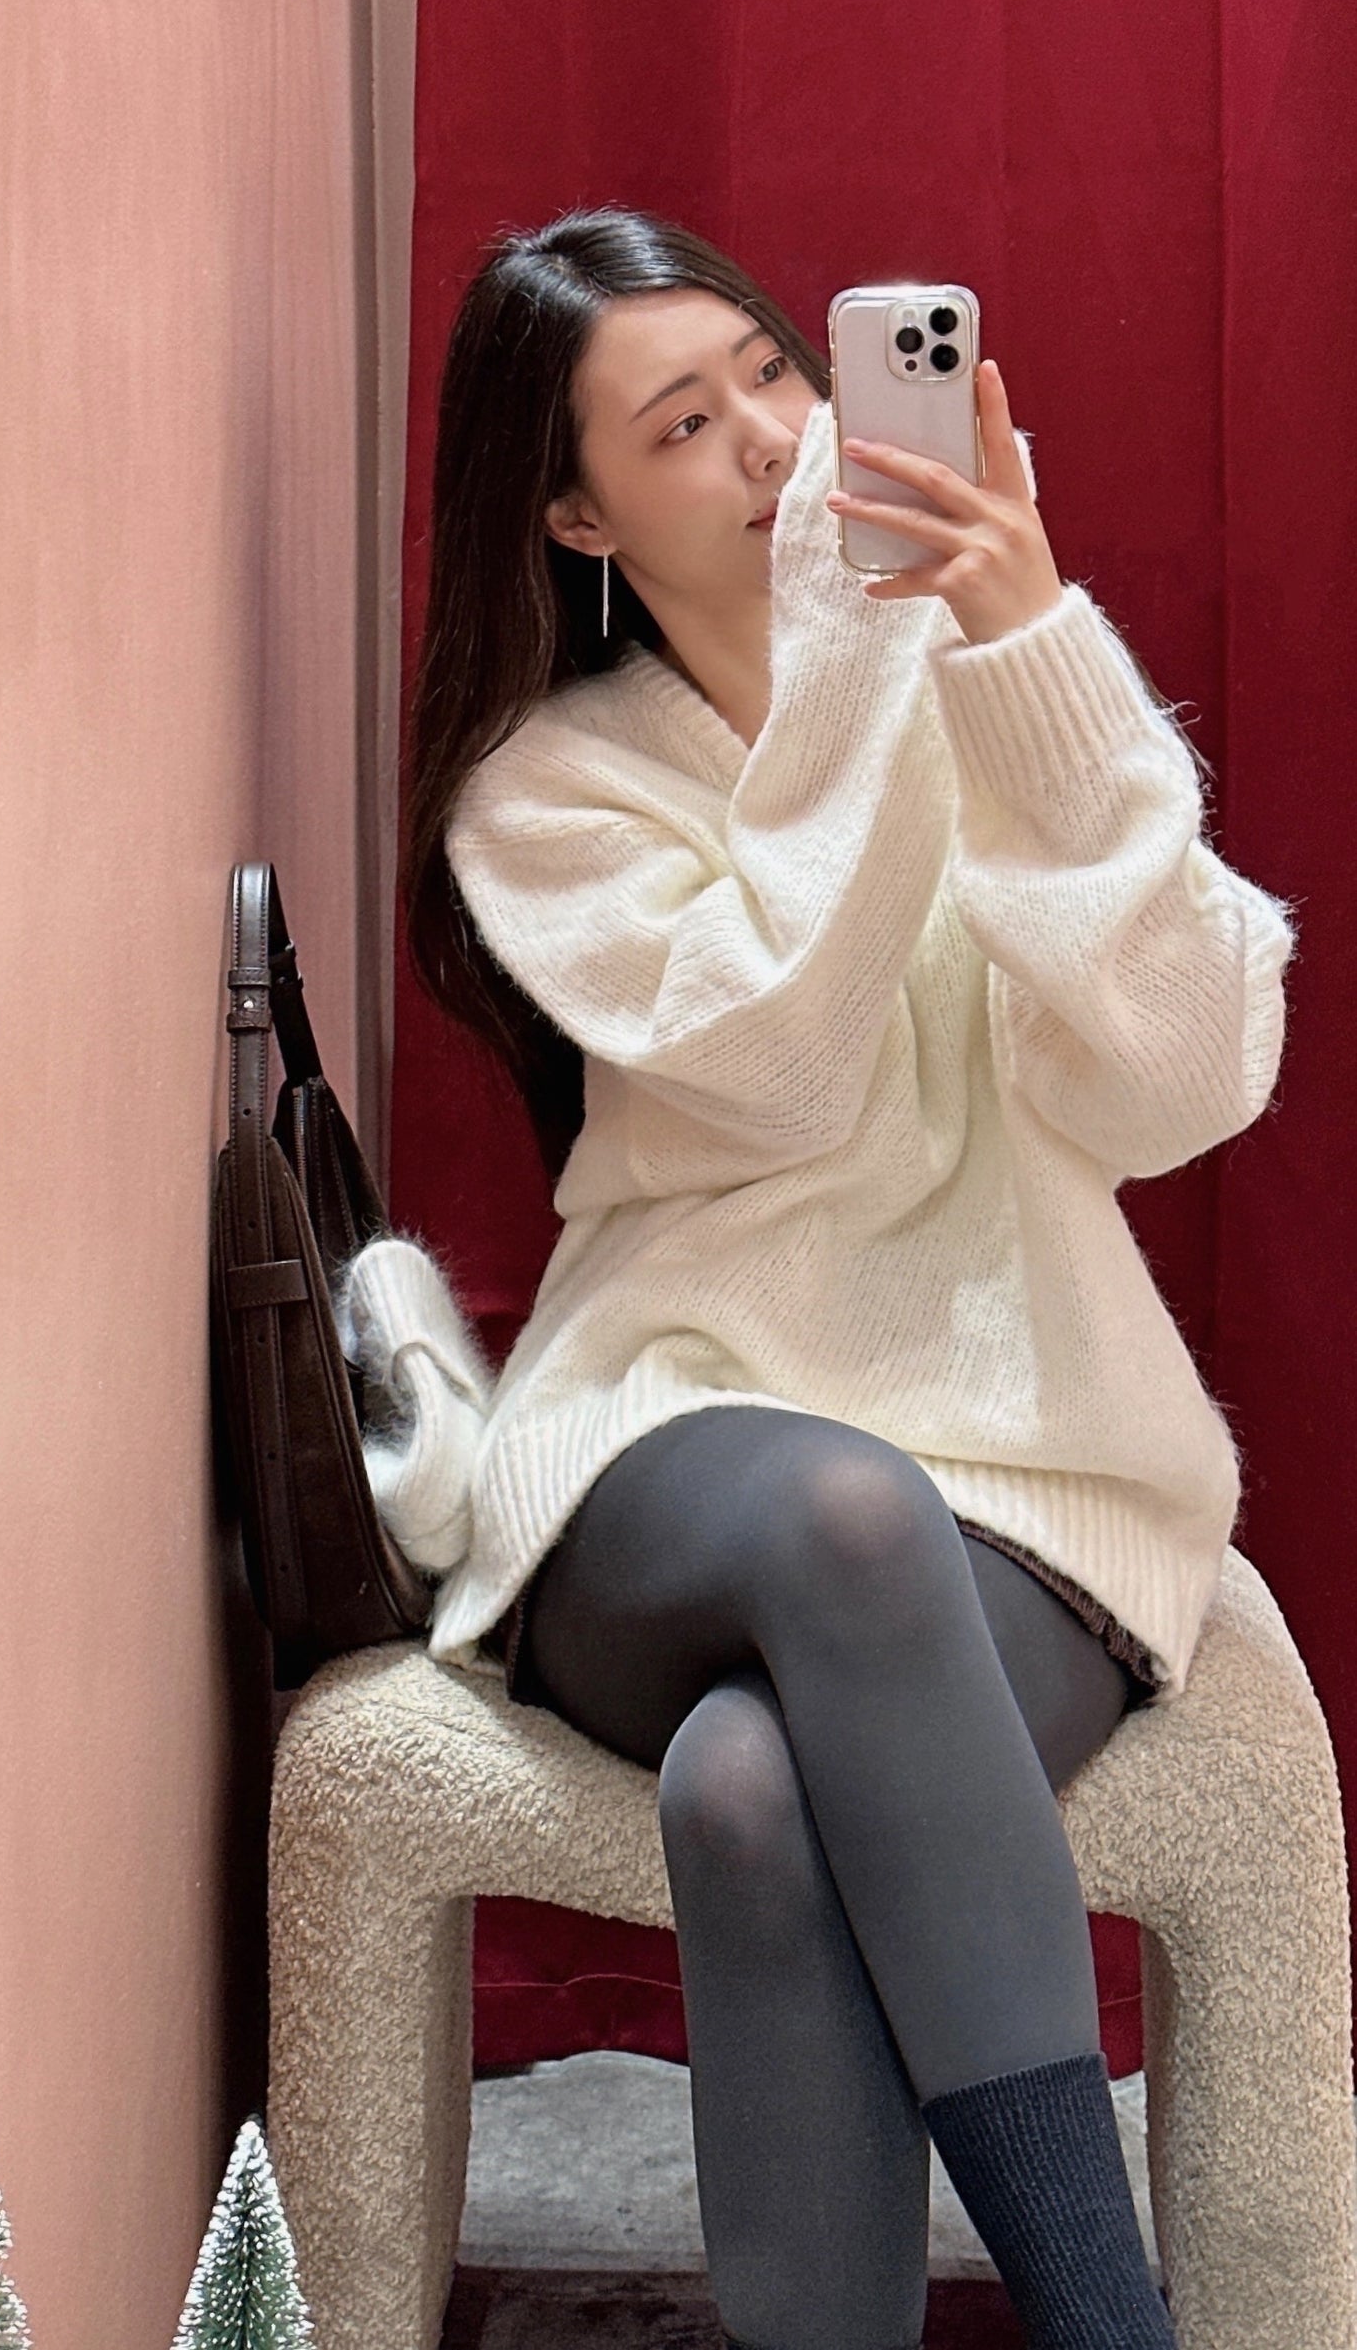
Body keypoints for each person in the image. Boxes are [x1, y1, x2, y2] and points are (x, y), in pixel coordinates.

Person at [385, 208, 1297, 2350]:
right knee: (837, 1502)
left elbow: (1188, 1080)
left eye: (776, 375)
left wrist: (1030, 649)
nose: (774, 443)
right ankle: (1111, 2324)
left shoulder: (997, 680)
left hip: (1028, 1473)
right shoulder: (547, 790)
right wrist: (879, 662)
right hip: (671, 1443)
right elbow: (784, 1066)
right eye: (681, 426)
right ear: (576, 516)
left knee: (749, 1786)